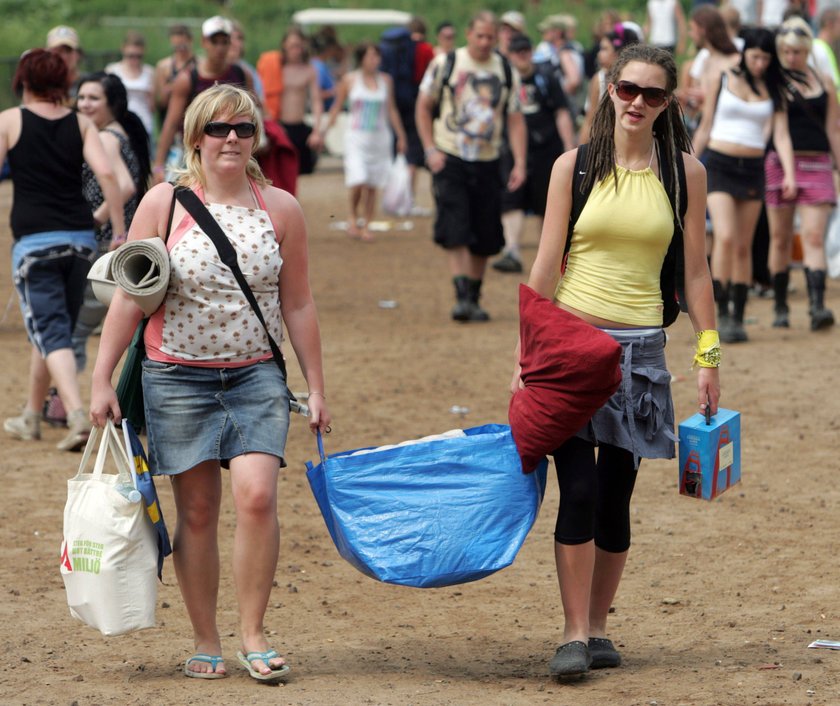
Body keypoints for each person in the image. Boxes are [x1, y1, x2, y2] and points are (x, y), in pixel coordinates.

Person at [89, 84, 330, 681]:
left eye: (243, 129)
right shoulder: (163, 204)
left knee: (257, 496)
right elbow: (129, 297)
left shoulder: (282, 209)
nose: (230, 139)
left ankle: (253, 634)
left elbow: (297, 304)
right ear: (197, 135)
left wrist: (316, 385)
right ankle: (205, 639)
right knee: (196, 513)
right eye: (218, 129)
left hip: (255, 377)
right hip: (174, 377)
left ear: (256, 139)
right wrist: (99, 379)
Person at [514, 43, 719, 677]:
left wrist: (708, 356)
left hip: (641, 355)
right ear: (609, 89)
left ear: (668, 104)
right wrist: (524, 355)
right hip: (572, 348)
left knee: (615, 493)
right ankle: (573, 632)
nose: (636, 103)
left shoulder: (685, 173)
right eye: (627, 89)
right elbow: (546, 264)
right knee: (575, 488)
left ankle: (599, 626)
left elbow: (697, 272)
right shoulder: (572, 167)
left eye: (652, 94)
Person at [1, 49, 124, 451]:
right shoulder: (82, 123)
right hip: (80, 242)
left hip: (35, 244)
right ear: (63, 84)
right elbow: (106, 173)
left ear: (23, 80)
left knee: (51, 331)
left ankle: (74, 414)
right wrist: (119, 229)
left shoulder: (10, 121)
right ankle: (32, 415)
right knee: (56, 330)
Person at [416, 11, 526, 322]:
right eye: (480, 36)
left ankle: (475, 296)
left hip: (489, 159)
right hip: (450, 156)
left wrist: (519, 161)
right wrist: (429, 150)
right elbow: (423, 108)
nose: (485, 42)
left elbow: (515, 119)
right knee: (456, 225)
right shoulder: (446, 64)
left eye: (490, 37)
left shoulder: (505, 68)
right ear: (469, 34)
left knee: (485, 232)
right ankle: (461, 296)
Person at [692, 27, 797, 343]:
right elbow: (706, 126)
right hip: (720, 163)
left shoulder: (774, 89)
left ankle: (737, 315)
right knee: (723, 235)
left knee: (742, 244)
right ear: (744, 53)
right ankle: (721, 310)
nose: (760, 64)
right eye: (755, 56)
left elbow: (781, 135)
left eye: (766, 58)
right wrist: (688, 165)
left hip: (753, 168)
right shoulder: (722, 79)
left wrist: (790, 173)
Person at [72, 72, 151, 371]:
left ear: (112, 104)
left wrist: (96, 219)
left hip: (106, 243)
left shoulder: (105, 137)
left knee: (76, 329)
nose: (85, 104)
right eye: (81, 97)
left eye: (94, 98)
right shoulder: (118, 131)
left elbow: (124, 185)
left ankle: (62, 402)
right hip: (118, 241)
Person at [767, 17, 840, 330]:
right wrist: (788, 174)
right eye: (786, 51)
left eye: (797, 50)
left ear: (807, 48)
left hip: (818, 162)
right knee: (781, 238)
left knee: (813, 236)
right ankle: (781, 305)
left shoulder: (824, 81)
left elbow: (834, 129)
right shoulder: (777, 82)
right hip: (782, 164)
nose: (791, 56)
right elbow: (779, 130)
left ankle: (817, 306)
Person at [493, 33, 577, 274]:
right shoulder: (505, 78)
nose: (522, 56)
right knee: (511, 197)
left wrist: (568, 144)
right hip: (511, 148)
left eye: (525, 51)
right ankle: (511, 249)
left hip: (545, 147)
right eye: (517, 52)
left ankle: (547, 256)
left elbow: (561, 112)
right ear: (509, 54)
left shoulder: (546, 77)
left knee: (546, 202)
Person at [320, 42, 408, 241]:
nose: (374, 60)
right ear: (362, 59)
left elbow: (391, 109)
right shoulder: (350, 80)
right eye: (370, 56)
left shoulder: (386, 81)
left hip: (380, 138)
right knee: (358, 180)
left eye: (377, 56)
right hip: (357, 137)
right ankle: (353, 216)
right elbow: (337, 106)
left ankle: (367, 223)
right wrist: (323, 131)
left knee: (372, 184)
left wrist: (401, 135)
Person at [152, 16, 253, 183]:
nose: (220, 48)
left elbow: (254, 113)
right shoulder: (188, 79)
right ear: (205, 42)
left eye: (224, 42)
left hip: (231, 150)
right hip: (194, 154)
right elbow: (171, 123)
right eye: (215, 42)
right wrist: (159, 165)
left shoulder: (241, 74)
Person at [579, 23, 640, 143]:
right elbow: (589, 120)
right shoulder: (600, 79)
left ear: (619, 53)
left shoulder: (638, 81)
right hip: (604, 143)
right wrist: (580, 153)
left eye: (605, 49)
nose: (598, 54)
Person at [105, 31, 155, 139]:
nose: (134, 59)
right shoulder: (112, 70)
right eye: (130, 56)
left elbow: (153, 106)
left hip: (144, 124)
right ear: (123, 49)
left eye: (138, 56)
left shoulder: (149, 72)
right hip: (119, 124)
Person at [153, 24, 196, 131]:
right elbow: (160, 101)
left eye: (182, 46)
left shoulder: (198, 64)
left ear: (190, 41)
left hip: (192, 118)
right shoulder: (163, 66)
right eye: (176, 47)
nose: (180, 50)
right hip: (170, 118)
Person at [46, 26, 82, 92]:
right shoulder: (42, 86)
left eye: (68, 50)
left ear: (78, 54)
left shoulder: (89, 85)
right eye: (57, 51)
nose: (64, 56)